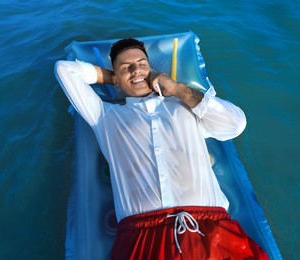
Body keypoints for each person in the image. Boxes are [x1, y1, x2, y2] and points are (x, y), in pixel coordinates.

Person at [55, 38, 268, 259]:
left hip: (210, 228)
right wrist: (118, 78)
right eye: (127, 67)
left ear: (153, 68)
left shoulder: (185, 107)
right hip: (141, 235)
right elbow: (64, 70)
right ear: (115, 77)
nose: (136, 69)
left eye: (142, 63)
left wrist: (178, 89)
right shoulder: (105, 116)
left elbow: (235, 124)